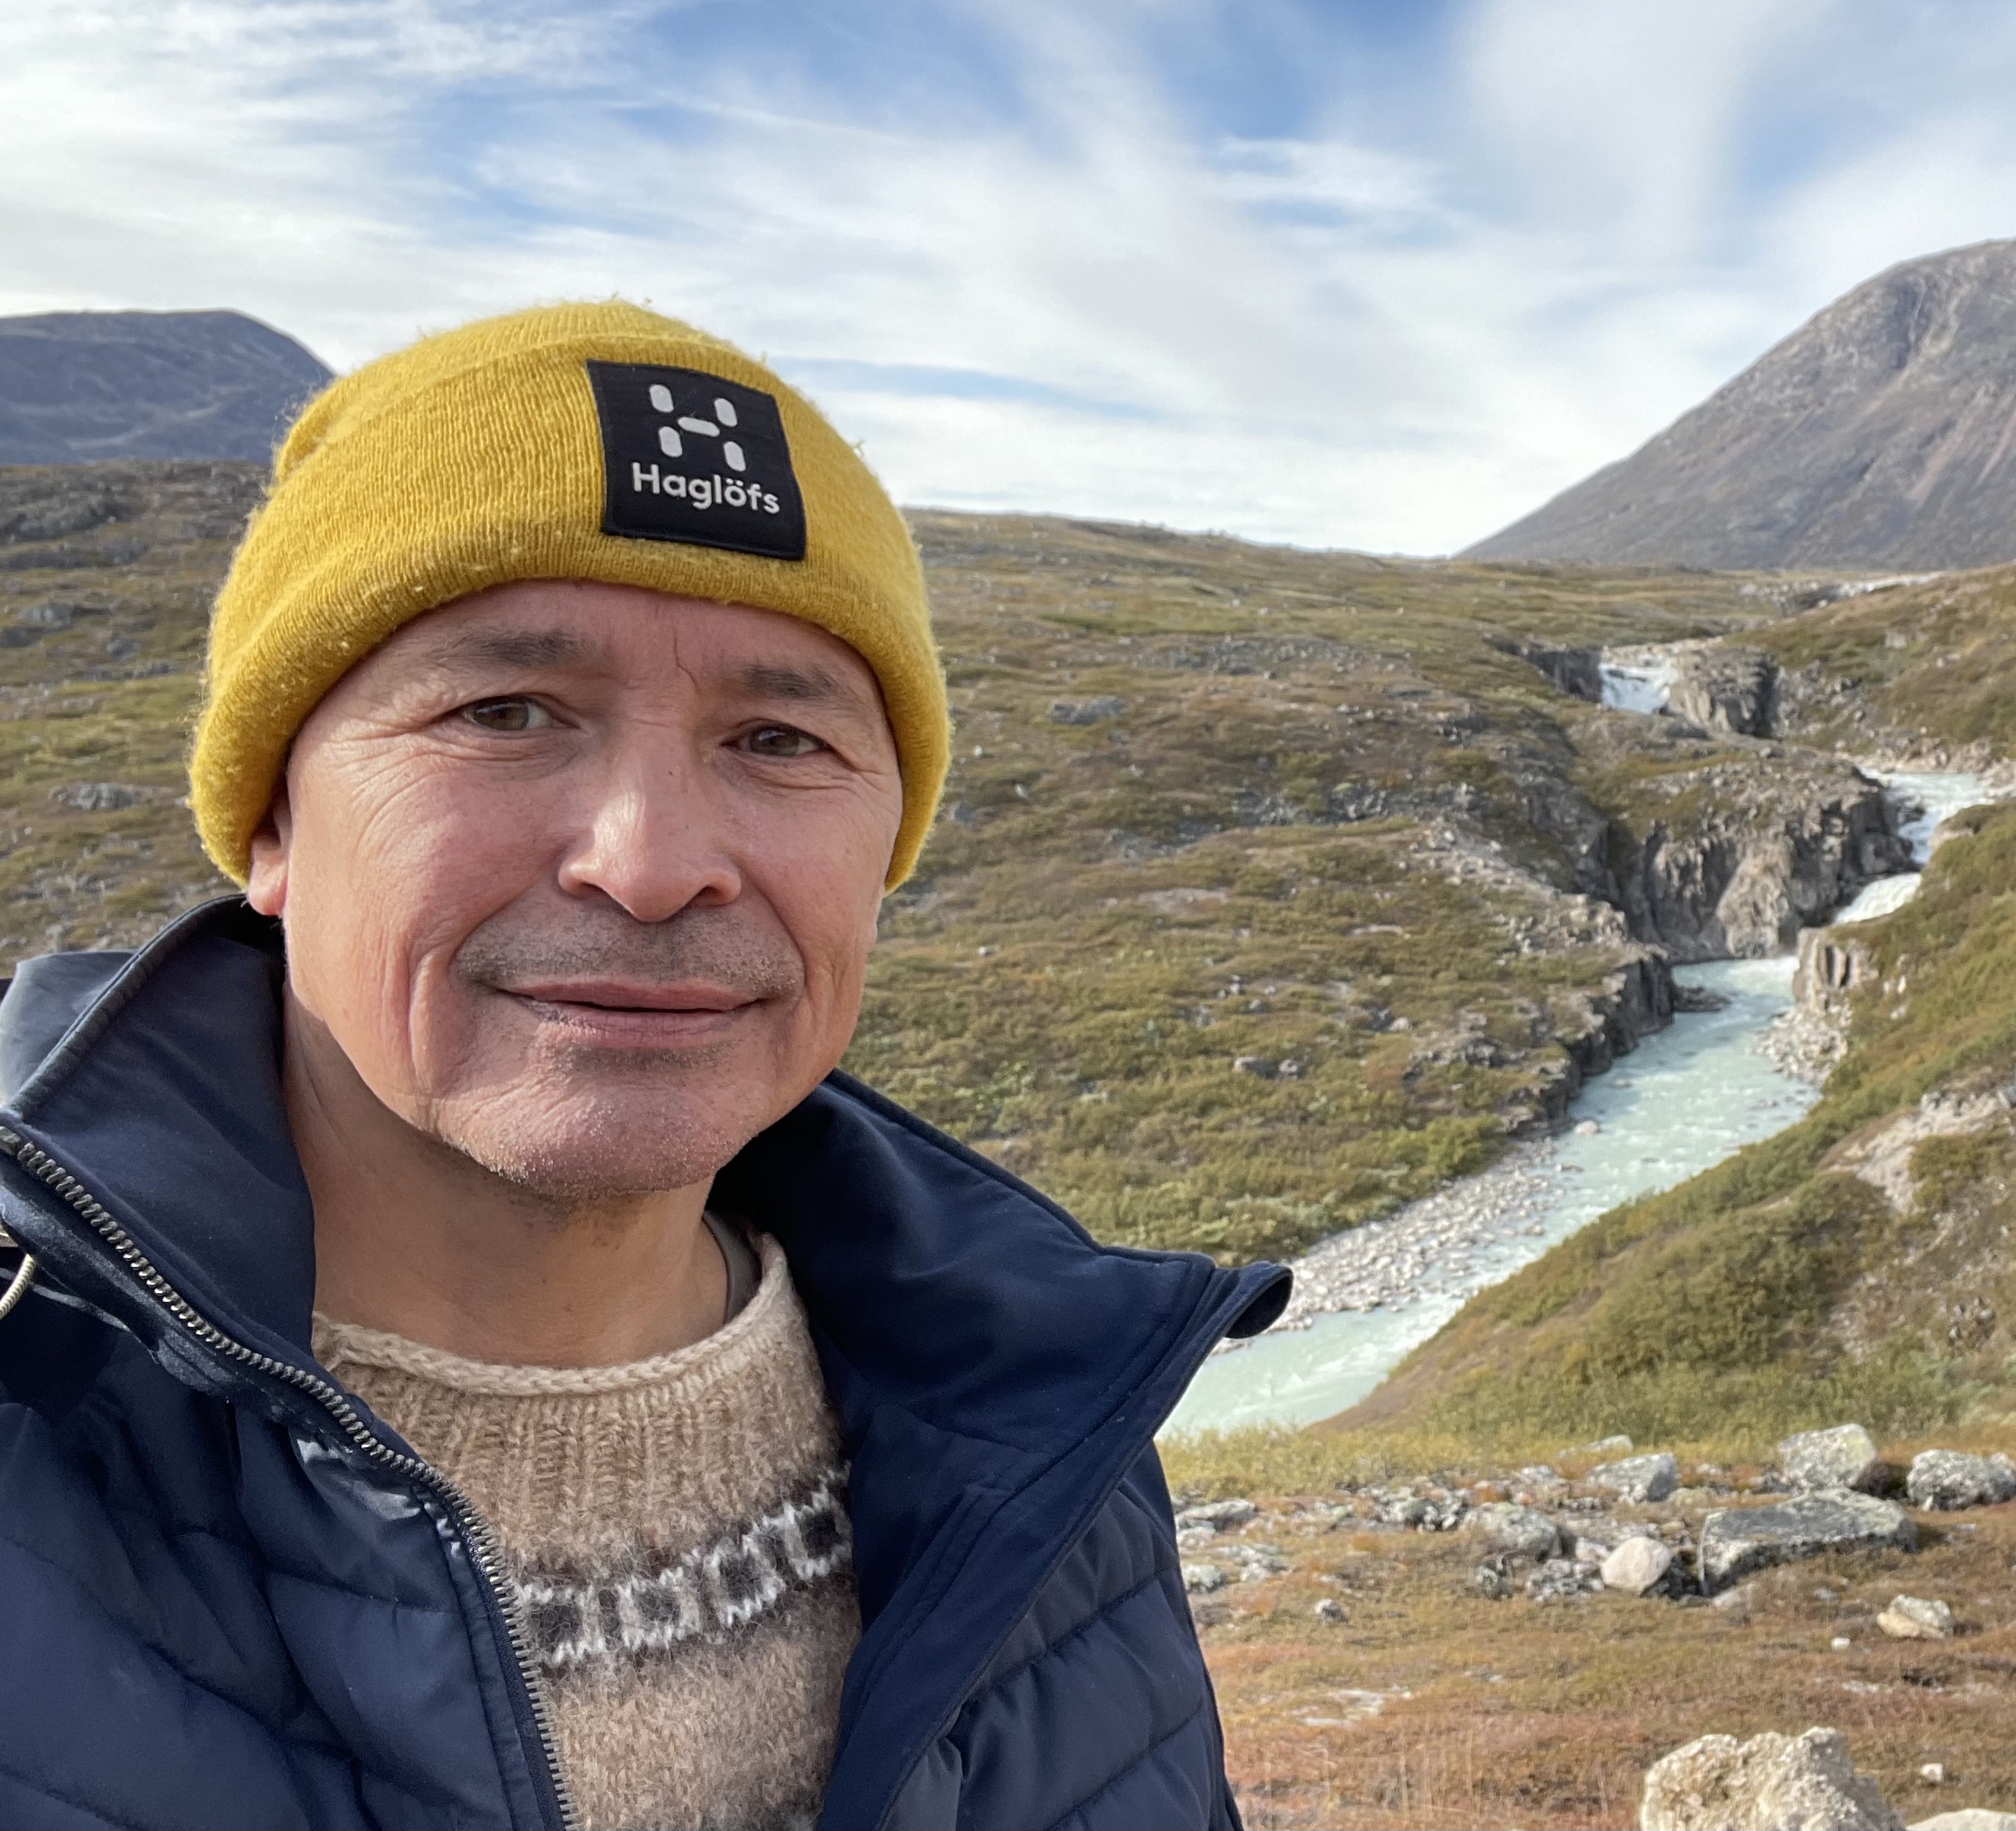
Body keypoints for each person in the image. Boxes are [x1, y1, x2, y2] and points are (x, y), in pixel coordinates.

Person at [0, 303, 1287, 1831]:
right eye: (505, 712)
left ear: (886, 842)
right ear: (272, 820)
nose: (655, 863)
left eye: (778, 738)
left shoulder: (1045, 1434)